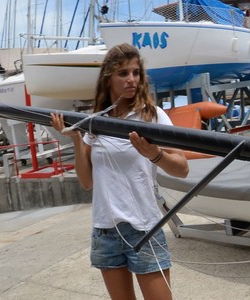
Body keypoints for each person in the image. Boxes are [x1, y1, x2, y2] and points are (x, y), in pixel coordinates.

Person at [50, 43, 189, 300]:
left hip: (144, 227)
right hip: (105, 230)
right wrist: (77, 140)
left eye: (136, 73)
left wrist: (154, 155)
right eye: (123, 73)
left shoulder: (151, 116)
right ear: (108, 79)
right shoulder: (96, 121)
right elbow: (87, 182)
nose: (131, 79)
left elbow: (182, 169)